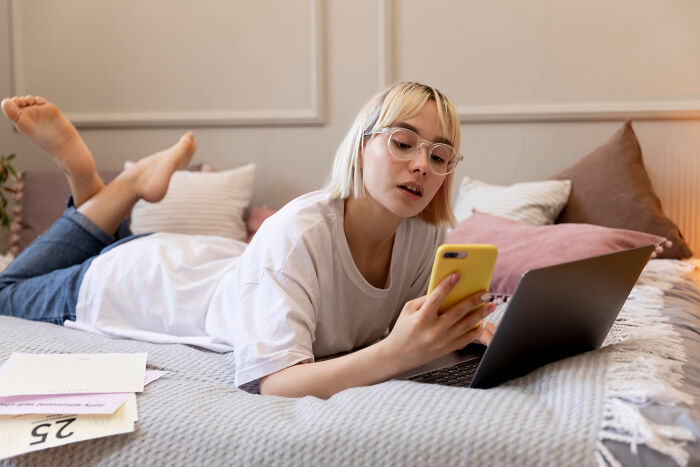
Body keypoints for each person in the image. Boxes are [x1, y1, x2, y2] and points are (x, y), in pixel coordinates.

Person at [0, 82, 496, 399]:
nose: (421, 165)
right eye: (404, 142)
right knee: (7, 291)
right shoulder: (300, 232)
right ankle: (107, 179)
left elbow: (404, 326)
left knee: (104, 244)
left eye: (440, 155)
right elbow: (277, 384)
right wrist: (396, 354)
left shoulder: (427, 237)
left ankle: (113, 196)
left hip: (202, 261)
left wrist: (454, 332)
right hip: (132, 282)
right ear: (361, 145)